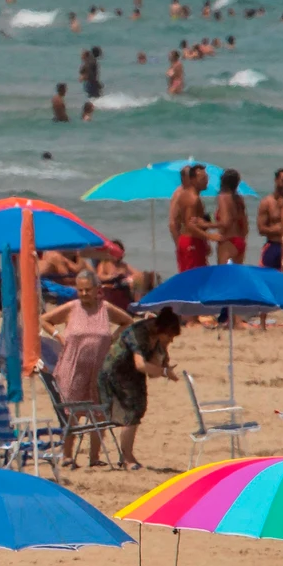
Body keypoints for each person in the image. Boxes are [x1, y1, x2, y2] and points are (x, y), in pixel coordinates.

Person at [42, 270, 133, 468]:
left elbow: (127, 321)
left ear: (97, 290)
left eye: (87, 290)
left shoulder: (105, 308)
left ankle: (94, 457)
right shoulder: (71, 308)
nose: (83, 294)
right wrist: (59, 336)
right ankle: (67, 455)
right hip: (72, 368)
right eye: (80, 290)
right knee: (71, 413)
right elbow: (44, 320)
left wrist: (112, 339)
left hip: (99, 370)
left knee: (99, 414)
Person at [98, 307, 183, 470]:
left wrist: (163, 362)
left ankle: (127, 455)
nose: (171, 340)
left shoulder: (157, 334)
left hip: (132, 374)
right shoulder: (138, 334)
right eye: (170, 336)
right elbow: (141, 364)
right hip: (115, 372)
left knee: (138, 408)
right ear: (161, 329)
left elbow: (157, 358)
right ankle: (127, 457)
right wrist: (165, 372)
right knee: (131, 411)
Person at [169, 164, 216, 272]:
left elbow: (194, 220)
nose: (206, 180)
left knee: (198, 274)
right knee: (193, 276)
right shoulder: (182, 194)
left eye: (206, 178)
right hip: (190, 243)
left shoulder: (191, 195)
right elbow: (174, 223)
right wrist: (181, 246)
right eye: (203, 178)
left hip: (193, 241)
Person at [258, 167, 283, 270]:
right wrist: (279, 230)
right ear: (276, 180)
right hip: (273, 245)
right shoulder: (267, 202)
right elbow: (261, 229)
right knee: (267, 277)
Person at [215, 168, 249, 265]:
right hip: (240, 242)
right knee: (235, 277)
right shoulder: (239, 199)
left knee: (224, 276)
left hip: (228, 241)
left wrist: (206, 224)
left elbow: (225, 222)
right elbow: (245, 227)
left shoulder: (223, 197)